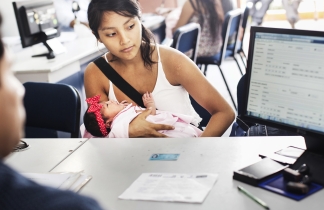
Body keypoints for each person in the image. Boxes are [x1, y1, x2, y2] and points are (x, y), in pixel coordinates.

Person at [85, 0, 235, 138]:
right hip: (130, 160)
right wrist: (128, 131)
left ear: (140, 19)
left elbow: (224, 112)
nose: (125, 40)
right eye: (111, 34)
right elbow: (99, 131)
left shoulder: (173, 61)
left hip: (183, 152)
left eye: (130, 26)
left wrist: (195, 152)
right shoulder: (94, 74)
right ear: (97, 36)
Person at [0, 12, 102, 209]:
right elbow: (98, 123)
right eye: (7, 73)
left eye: (130, 26)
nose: (21, 89)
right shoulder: (95, 72)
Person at [83, 94, 202, 138]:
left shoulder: (120, 116)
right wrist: (150, 105)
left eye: (107, 102)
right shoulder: (118, 126)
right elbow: (148, 119)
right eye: (108, 105)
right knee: (181, 133)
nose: (110, 101)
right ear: (108, 123)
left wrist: (122, 107)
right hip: (163, 131)